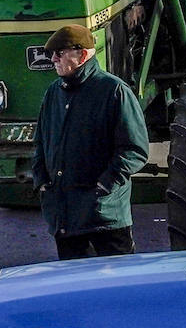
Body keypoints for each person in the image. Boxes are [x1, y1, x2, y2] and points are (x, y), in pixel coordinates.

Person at [30, 24, 149, 260]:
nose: (53, 58)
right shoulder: (54, 92)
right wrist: (41, 181)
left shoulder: (114, 91)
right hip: (65, 219)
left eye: (59, 52)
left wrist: (103, 187)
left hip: (105, 219)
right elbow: (41, 142)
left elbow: (135, 149)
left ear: (82, 54)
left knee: (117, 287)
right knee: (75, 291)